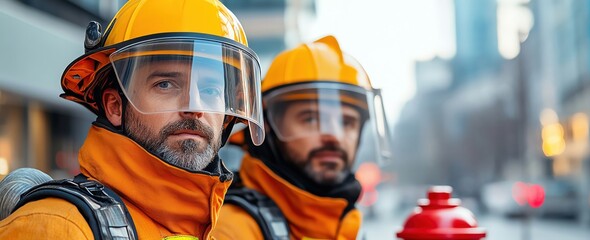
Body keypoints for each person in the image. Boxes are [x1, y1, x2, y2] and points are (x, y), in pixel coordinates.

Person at [0, 0, 264, 239]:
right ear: (115, 106)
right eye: (165, 84)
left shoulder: (210, 230)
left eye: (210, 90)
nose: (194, 107)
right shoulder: (56, 227)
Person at [213, 35, 391, 240]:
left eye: (347, 122)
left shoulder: (346, 225)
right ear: (267, 125)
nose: (334, 135)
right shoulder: (232, 230)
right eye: (311, 119)